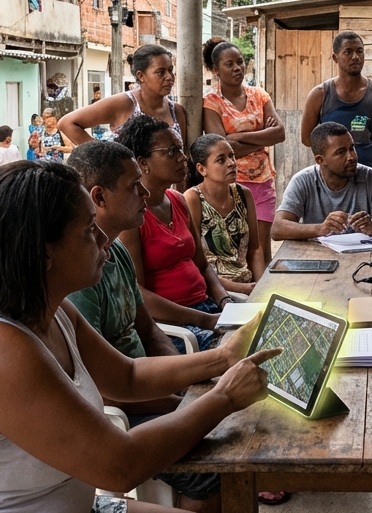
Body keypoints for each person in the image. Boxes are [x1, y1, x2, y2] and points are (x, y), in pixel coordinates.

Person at [0, 161, 280, 513]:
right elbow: (120, 465)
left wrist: (224, 357)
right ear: (44, 253)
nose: (103, 241)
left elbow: (126, 376)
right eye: (87, 230)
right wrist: (224, 397)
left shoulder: (52, 309)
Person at [65, 140, 233, 513]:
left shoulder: (115, 251)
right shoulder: (76, 280)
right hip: (120, 410)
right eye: (133, 186)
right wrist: (189, 405)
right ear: (99, 197)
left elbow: (149, 331)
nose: (145, 192)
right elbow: (104, 390)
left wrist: (184, 389)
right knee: (217, 464)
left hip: (143, 389)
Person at [116, 115, 234, 353]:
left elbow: (202, 265)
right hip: (173, 325)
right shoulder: (132, 218)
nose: (183, 158)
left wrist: (225, 302)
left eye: (180, 149)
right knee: (239, 352)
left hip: (208, 309)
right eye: (171, 151)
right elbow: (138, 294)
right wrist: (203, 320)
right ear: (143, 162)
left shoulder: (178, 201)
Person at [201, 37, 283, 260]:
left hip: (262, 182)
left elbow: (279, 133)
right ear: (216, 70)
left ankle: (262, 293)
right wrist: (261, 138)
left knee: (262, 250)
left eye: (239, 62)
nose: (237, 68)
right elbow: (221, 149)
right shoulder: (211, 102)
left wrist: (237, 137)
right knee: (236, 251)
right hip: (231, 184)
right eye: (229, 64)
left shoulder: (259, 95)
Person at [272, 122, 372, 241]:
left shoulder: (370, 177)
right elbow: (277, 229)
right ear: (320, 160)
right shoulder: (303, 180)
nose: (351, 157)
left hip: (362, 256)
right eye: (341, 152)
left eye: (352, 148)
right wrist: (321, 229)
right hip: (317, 256)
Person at [299, 31, 372, 173]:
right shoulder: (320, 94)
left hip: (367, 175)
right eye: (348, 52)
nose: (355, 57)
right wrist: (334, 150)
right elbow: (307, 139)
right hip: (332, 178)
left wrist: (367, 145)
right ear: (335, 57)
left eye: (359, 51)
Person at [61, 44, 189, 146]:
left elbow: (184, 154)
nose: (169, 77)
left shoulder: (176, 111)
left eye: (170, 70)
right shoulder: (125, 103)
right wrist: (105, 157)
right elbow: (67, 123)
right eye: (160, 72)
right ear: (141, 76)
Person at [185, 134, 264, 296]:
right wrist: (240, 289)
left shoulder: (244, 195)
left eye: (232, 156)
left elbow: (255, 248)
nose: (231, 164)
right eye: (221, 160)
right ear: (202, 169)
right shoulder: (193, 199)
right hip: (213, 289)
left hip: (247, 285)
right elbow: (192, 260)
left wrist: (262, 286)